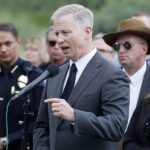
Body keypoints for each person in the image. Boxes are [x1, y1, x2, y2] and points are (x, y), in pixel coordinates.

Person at [33, 4, 129, 150]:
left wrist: (75, 116)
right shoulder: (55, 73)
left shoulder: (112, 74)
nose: (59, 40)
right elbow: (42, 126)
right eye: (57, 34)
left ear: (87, 31)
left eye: (66, 33)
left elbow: (116, 127)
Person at [103, 18, 150, 149]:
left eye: (127, 45)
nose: (121, 50)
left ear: (144, 48)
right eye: (117, 46)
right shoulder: (106, 79)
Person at [0, 23, 44, 150]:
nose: (3, 49)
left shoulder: (34, 77)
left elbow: (40, 122)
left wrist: (6, 141)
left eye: (8, 43)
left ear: (18, 42)